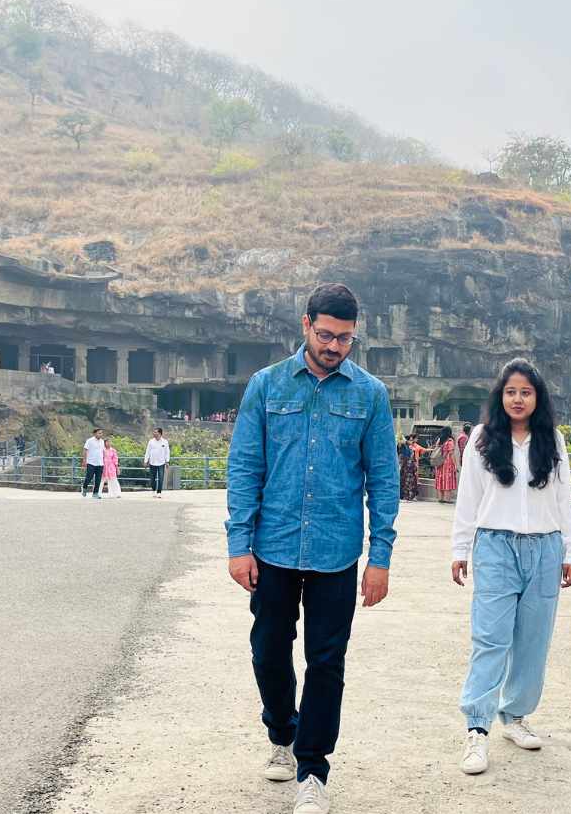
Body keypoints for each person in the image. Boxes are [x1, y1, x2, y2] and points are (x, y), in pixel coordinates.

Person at [224, 283, 397, 814]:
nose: (334, 346)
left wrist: (380, 557)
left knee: (327, 662)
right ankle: (281, 729)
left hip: (337, 552)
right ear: (305, 325)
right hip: (272, 546)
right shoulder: (266, 385)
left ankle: (313, 769)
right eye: (326, 335)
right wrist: (239, 543)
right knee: (268, 651)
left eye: (345, 339)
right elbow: (245, 467)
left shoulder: (370, 395)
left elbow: (383, 481)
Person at [451, 358, 571, 776]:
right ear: (499, 396)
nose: (517, 399)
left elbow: (564, 500)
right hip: (496, 546)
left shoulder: (552, 440)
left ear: (537, 398)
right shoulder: (483, 440)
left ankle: (516, 715)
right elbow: (467, 498)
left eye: (525, 392)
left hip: (545, 547)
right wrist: (460, 549)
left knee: (533, 639)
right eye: (510, 392)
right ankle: (477, 729)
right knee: (490, 637)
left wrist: (569, 552)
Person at [433, 427, 459, 504]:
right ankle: (447, 499)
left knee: (440, 479)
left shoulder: (439, 440)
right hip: (447, 463)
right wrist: (455, 465)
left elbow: (436, 450)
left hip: (439, 462)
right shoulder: (450, 441)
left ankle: (440, 498)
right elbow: (451, 454)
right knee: (448, 480)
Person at [144, 427, 170, 498]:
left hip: (161, 463)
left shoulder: (165, 442)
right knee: (152, 479)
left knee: (161, 478)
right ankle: (153, 490)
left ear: (160, 433)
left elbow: (167, 452)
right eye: (154, 432)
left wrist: (167, 461)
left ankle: (159, 492)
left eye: (156, 432)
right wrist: (146, 461)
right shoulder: (151, 441)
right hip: (152, 463)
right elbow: (147, 452)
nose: (154, 433)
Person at [82, 428, 105, 500]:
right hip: (91, 462)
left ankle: (95, 493)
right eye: (99, 433)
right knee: (89, 477)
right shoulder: (89, 441)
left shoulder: (102, 441)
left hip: (100, 463)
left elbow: (103, 452)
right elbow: (85, 450)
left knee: (98, 479)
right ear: (95, 433)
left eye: (101, 433)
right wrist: (84, 461)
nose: (101, 434)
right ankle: (84, 487)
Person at [398, 435, 421, 502]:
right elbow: (402, 457)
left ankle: (409, 497)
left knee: (410, 483)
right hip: (405, 468)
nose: (411, 441)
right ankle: (404, 497)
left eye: (411, 440)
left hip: (410, 468)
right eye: (410, 440)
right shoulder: (403, 447)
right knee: (405, 482)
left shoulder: (409, 448)